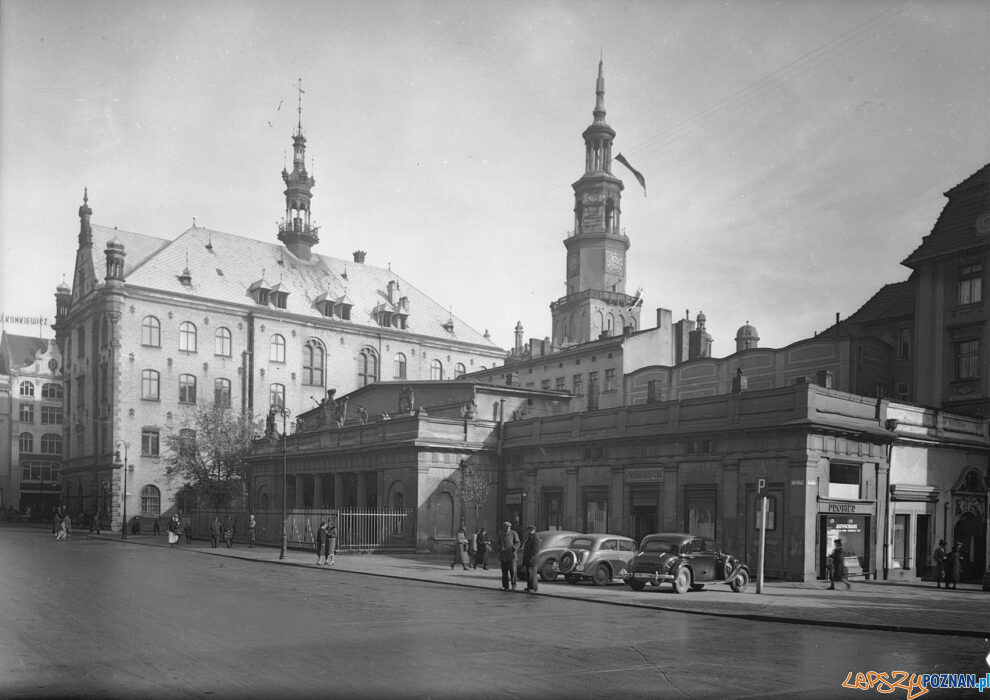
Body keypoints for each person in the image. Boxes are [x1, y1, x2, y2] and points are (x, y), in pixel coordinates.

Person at [495, 521, 520, 591]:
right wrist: (500, 548)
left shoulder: (513, 533)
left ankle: (514, 585)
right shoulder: (500, 534)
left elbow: (517, 543)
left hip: (511, 556)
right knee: (504, 572)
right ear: (503, 527)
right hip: (503, 556)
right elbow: (497, 543)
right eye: (506, 527)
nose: (507, 528)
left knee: (513, 571)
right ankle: (505, 586)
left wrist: (513, 548)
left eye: (508, 527)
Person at [522, 525, 540, 594]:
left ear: (533, 530)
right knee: (529, 573)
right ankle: (529, 586)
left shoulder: (535, 537)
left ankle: (533, 587)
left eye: (529, 529)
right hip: (528, 557)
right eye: (528, 529)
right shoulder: (530, 537)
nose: (528, 531)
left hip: (532, 558)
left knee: (532, 574)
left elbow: (535, 549)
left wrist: (531, 557)